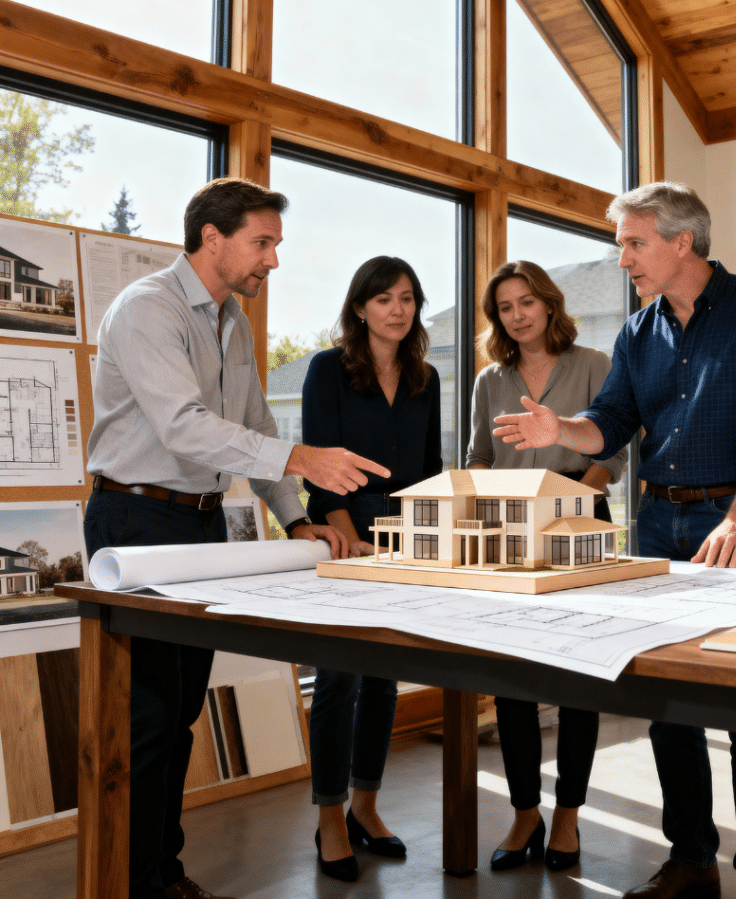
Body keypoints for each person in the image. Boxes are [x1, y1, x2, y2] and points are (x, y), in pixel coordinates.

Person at [493, 182, 736, 899]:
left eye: (633, 243)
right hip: (658, 524)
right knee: (667, 699)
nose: (623, 258)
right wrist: (559, 431)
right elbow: (611, 421)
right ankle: (691, 861)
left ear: (681, 242)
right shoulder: (637, 332)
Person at [84, 178, 389, 899]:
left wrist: (299, 515)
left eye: (275, 245)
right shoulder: (148, 309)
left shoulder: (233, 325)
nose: (273, 261)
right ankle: (131, 880)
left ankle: (163, 871)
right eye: (263, 243)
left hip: (199, 522)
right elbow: (183, 424)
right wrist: (296, 462)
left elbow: (256, 432)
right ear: (212, 238)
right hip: (136, 521)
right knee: (148, 718)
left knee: (181, 713)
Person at [467, 260, 628, 873]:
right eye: (506, 306)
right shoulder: (490, 379)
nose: (518, 314)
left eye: (527, 301)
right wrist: (476, 494)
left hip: (580, 520)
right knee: (513, 678)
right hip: (509, 530)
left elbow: (614, 444)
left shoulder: (593, 365)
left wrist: (578, 495)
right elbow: (479, 455)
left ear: (550, 303)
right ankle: (525, 811)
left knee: (577, 676)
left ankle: (568, 814)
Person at [302, 256, 443, 882]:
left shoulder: (427, 377)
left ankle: (366, 807)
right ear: (360, 308)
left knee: (384, 675)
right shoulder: (328, 370)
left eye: (408, 298)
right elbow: (319, 460)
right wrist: (352, 542)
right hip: (341, 536)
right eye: (383, 298)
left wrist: (427, 540)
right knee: (338, 678)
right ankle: (330, 817)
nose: (398, 309)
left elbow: (431, 467)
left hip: (404, 539)